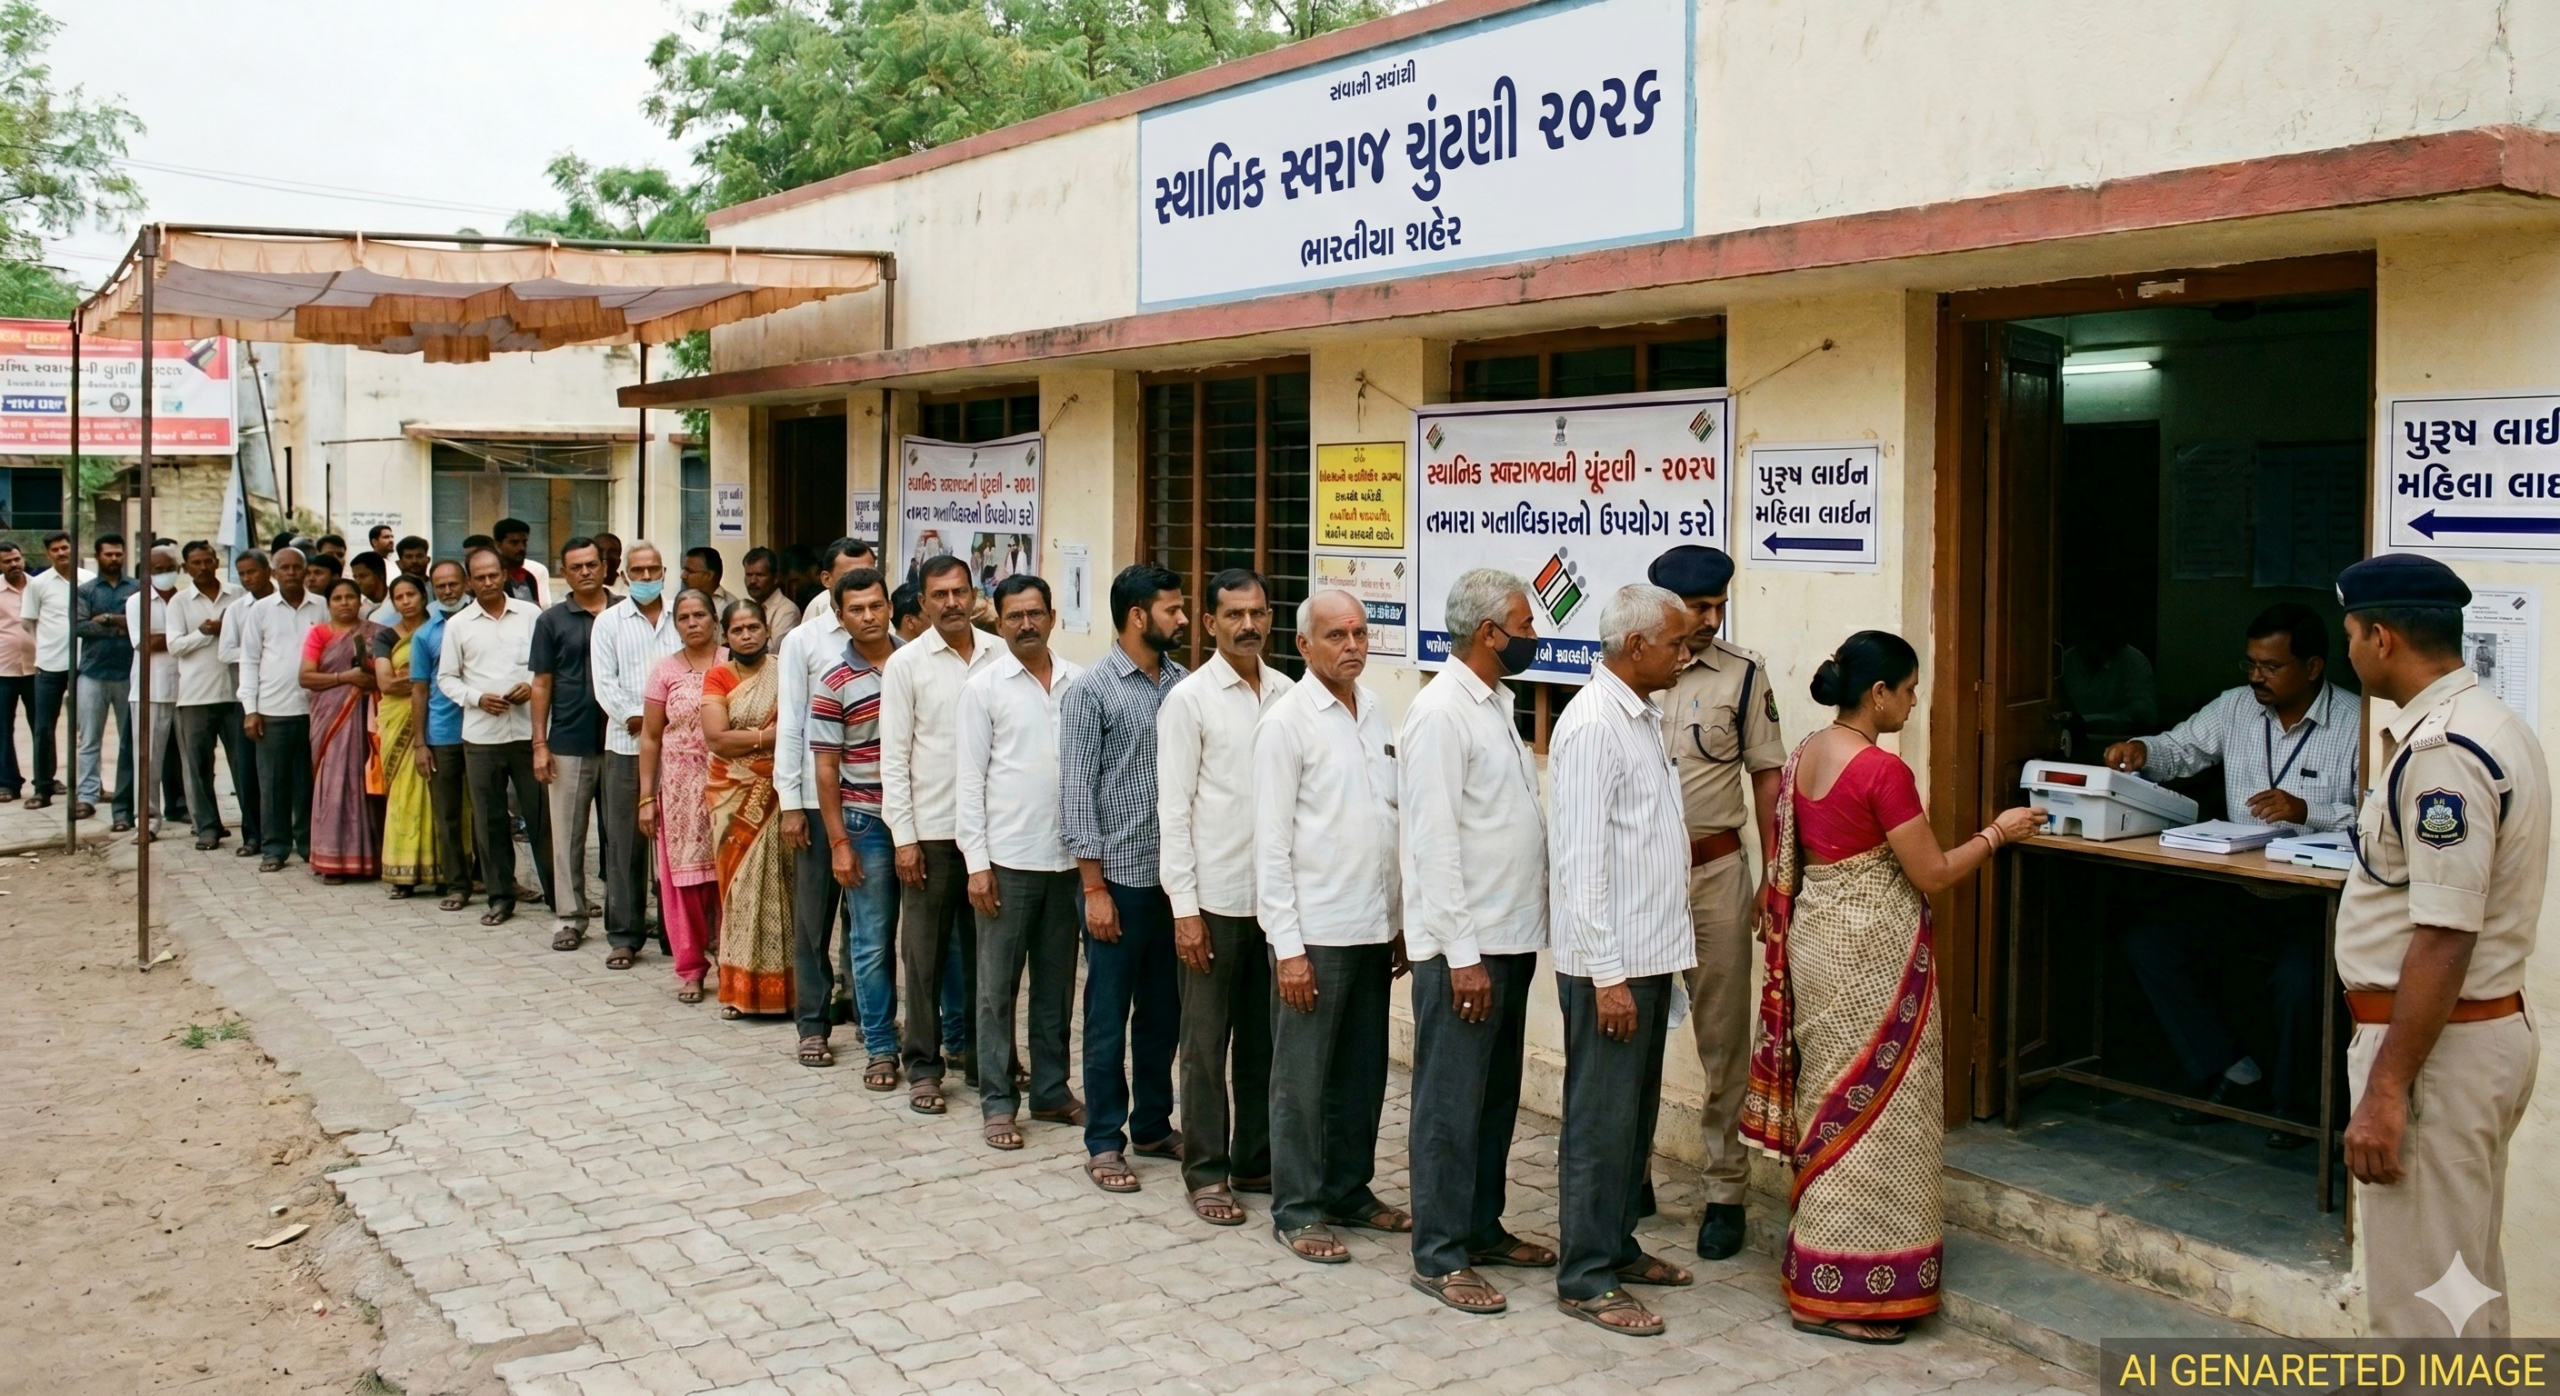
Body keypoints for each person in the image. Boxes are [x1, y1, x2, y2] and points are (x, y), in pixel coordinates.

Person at [1744, 630, 2044, 1343]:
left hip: (1819, 945)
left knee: (1830, 1103)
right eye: (1909, 690)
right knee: (1879, 1118)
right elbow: (1931, 872)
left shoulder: (1806, 753)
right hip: (1873, 955)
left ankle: (1818, 1276)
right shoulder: (1882, 771)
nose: (1914, 702)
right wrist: (1999, 833)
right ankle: (1848, 1296)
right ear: (1878, 693)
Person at [2331, 555, 2547, 1338]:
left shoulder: (2445, 751)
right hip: (2458, 1041)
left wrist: (2387, 1091)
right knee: (2456, 1291)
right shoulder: (2487, 724)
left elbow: (2446, 936)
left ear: (2382, 638)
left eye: (2351, 634)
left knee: (2425, 1312)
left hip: (2435, 1052)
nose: (2350, 649)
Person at [2102, 603, 2360, 1145]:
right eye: (2251, 664)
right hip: (2240, 886)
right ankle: (2233, 1070)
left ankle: (2298, 1110)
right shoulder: (2236, 707)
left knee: (2300, 980)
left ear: (2313, 667)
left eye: (2271, 667)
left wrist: (2307, 810)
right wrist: (2141, 750)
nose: (2256, 677)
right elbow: (2180, 748)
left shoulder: (2357, 723)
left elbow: (2376, 816)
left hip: (2316, 900)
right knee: (2151, 944)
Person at [1542, 586, 1703, 1336]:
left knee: (1631, 1123)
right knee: (1600, 1124)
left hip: (1647, 955)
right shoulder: (1591, 726)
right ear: (1636, 647)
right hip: (1611, 966)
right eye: (1676, 643)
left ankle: (1617, 1245)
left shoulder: (1640, 715)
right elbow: (1580, 866)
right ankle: (1585, 1276)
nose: (1686, 654)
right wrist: (1608, 977)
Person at [1400, 569, 1552, 1309]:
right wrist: (1462, 958)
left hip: (1508, 938)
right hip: (1466, 950)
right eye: (1525, 625)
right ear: (1490, 633)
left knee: (1493, 1099)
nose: (1534, 636)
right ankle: (1438, 1254)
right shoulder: (1440, 713)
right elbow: (1433, 845)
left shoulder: (1496, 701)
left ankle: (1481, 1227)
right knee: (1450, 1105)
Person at [1642, 545, 1787, 1259]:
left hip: (1716, 874)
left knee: (1723, 1039)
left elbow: (1768, 779)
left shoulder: (1743, 672)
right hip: (1643, 880)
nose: (1711, 619)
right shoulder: (1632, 670)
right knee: (1632, 1026)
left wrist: (1772, 876)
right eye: (1698, 608)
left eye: (1718, 606)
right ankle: (1629, 1171)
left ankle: (1725, 1189)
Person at [1254, 588, 1406, 1260]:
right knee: (1302, 1079)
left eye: (1360, 633)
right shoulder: (1286, 724)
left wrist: (1400, 920)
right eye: (1337, 635)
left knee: (1361, 1074)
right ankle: (1298, 1207)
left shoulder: (1375, 711)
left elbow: (1387, 819)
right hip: (1315, 935)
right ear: (1304, 645)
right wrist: (1288, 948)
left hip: (1372, 929)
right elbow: (1270, 845)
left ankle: (1349, 1190)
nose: (1352, 646)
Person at [1158, 568, 1292, 1224]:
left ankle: (1255, 1160)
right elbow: (1173, 810)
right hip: (1213, 901)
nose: (1248, 625)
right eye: (1234, 615)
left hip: (1276, 904)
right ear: (1210, 623)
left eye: (1258, 613)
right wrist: (1184, 911)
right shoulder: (1189, 700)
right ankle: (1207, 1172)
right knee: (1206, 1047)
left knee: (1264, 1044)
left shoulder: (1289, 694)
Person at [1059, 564, 1190, 1190]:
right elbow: (1076, 794)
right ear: (1138, 616)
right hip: (1118, 880)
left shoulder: (1184, 685)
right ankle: (1105, 1141)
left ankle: (1154, 1125)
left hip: (1175, 883)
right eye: (1172, 609)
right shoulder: (1091, 691)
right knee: (1108, 1018)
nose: (1183, 619)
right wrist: (1093, 889)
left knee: (1164, 1014)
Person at [956, 574, 1085, 1150]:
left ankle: (1052, 1092)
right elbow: (968, 781)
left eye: (1035, 614)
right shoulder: (983, 689)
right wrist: (977, 864)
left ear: (1052, 617)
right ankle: (998, 1101)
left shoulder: (1081, 683)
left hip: (1068, 862)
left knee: (1056, 987)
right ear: (999, 622)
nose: (1026, 624)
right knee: (996, 990)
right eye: (1014, 616)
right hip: (1007, 862)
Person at [881, 553, 998, 1113]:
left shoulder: (1000, 654)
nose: (952, 603)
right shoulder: (906, 665)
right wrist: (904, 838)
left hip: (992, 838)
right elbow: (894, 757)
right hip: (931, 834)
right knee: (924, 959)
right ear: (922, 603)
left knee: (988, 959)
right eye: (940, 595)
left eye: (960, 592)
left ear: (973, 595)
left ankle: (984, 1060)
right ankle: (924, 1067)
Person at [804, 566, 908, 1079]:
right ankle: (881, 1046)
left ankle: (950, 1040)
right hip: (865, 823)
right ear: (839, 616)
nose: (869, 616)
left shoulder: (915, 662)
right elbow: (825, 768)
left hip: (923, 821)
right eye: (856, 609)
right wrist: (839, 842)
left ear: (889, 607)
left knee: (936, 940)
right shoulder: (834, 681)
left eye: (876, 605)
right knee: (872, 939)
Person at [774, 540, 871, 1052]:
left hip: (871, 800)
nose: (860, 584)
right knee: (815, 918)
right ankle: (812, 1023)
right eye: (849, 576)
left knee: (868, 918)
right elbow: (792, 722)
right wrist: (790, 802)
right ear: (828, 582)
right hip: (815, 798)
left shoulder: (889, 641)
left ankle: (866, 1010)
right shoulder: (804, 641)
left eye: (868, 574)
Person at [438, 546, 553, 925]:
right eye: (480, 577)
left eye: (493, 575)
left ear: (505, 575)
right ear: (469, 583)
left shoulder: (531, 615)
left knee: (542, 819)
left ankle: (560, 896)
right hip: (482, 737)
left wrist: (530, 687)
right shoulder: (459, 625)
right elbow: (446, 678)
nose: (488, 582)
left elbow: (547, 668)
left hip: (529, 733)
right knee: (490, 822)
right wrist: (477, 698)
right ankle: (500, 898)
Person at [700, 599, 794, 1016]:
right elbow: (717, 739)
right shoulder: (718, 676)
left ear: (767, 630)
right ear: (726, 637)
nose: (747, 635)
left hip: (781, 793)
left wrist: (753, 738)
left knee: (784, 889)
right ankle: (739, 994)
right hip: (732, 794)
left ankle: (789, 994)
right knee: (738, 891)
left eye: (753, 627)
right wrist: (768, 737)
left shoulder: (785, 671)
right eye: (737, 630)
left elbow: (799, 726)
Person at [592, 541, 681, 963]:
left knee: (676, 843)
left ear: (664, 572)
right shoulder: (608, 622)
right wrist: (642, 718)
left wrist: (668, 723)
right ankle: (624, 935)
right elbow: (604, 684)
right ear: (625, 576)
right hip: (626, 745)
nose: (647, 577)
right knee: (625, 843)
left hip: (679, 749)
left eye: (653, 570)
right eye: (638, 571)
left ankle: (675, 934)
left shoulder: (682, 618)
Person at [530, 538, 616, 956]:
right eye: (576, 566)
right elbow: (541, 682)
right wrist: (539, 744)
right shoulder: (551, 621)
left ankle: (627, 915)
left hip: (623, 742)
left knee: (624, 838)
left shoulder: (625, 612)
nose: (585, 572)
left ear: (605, 566)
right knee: (567, 838)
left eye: (591, 564)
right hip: (568, 740)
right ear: (564, 573)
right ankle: (569, 916)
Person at [641, 589, 725, 1002]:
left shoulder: (733, 662)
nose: (692, 623)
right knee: (685, 883)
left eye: (699, 615)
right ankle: (691, 969)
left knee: (729, 876)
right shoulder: (665, 671)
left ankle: (732, 962)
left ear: (714, 619)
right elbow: (650, 736)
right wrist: (646, 798)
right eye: (684, 618)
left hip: (729, 784)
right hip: (678, 790)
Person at [238, 547, 329, 870]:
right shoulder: (261, 610)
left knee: (307, 783)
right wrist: (251, 709)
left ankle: (308, 845)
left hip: (314, 710)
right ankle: (275, 848)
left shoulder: (322, 607)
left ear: (306, 571)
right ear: (274, 573)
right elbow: (249, 660)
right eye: (284, 568)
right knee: (273, 784)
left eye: (296, 567)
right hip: (272, 709)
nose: (291, 573)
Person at [168, 542, 251, 851]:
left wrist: (227, 629)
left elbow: (251, 635)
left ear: (216, 562)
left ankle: (253, 828)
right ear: (186, 567)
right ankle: (207, 827)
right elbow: (174, 646)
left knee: (243, 766)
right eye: (196, 563)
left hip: (236, 694)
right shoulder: (179, 602)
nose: (202, 567)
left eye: (207, 561)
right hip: (196, 695)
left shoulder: (238, 594)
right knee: (199, 767)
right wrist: (205, 632)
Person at [301, 577, 384, 881]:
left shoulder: (377, 633)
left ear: (360, 601)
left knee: (368, 782)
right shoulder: (319, 634)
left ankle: (373, 859)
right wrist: (345, 678)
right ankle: (333, 861)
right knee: (335, 783)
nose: (345, 603)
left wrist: (369, 680)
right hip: (332, 720)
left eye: (350, 597)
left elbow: (388, 673)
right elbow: (306, 677)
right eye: (337, 598)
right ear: (328, 604)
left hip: (371, 716)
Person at [409, 561, 478, 909]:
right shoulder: (425, 634)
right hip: (442, 734)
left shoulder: (480, 623)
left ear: (466, 582)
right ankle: (457, 885)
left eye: (453, 583)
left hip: (484, 731)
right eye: (441, 586)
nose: (448, 591)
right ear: (432, 589)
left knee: (490, 813)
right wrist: (420, 743)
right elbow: (419, 690)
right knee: (448, 814)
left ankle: (499, 879)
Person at [373, 575, 439, 897]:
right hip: (398, 720)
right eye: (398, 597)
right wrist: (422, 680)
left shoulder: (440, 629)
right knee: (403, 794)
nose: (406, 601)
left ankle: (445, 870)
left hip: (438, 719)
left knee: (442, 792)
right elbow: (385, 683)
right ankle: (403, 875)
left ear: (423, 596)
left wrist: (413, 679)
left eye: (411, 594)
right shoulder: (385, 637)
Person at [20, 532, 90, 811]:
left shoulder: (89, 580)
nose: (61, 553)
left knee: (88, 728)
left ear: (73, 548)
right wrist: (46, 646)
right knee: (43, 728)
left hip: (85, 665)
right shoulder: (38, 584)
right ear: (48, 554)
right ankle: (43, 788)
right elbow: (28, 622)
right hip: (49, 666)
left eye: (65, 547)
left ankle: (90, 787)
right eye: (55, 549)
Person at [74, 534, 140, 830]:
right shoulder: (86, 590)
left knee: (131, 741)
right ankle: (87, 796)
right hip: (93, 672)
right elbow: (79, 626)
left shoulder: (136, 588)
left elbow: (139, 625)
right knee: (89, 739)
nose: (114, 559)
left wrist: (106, 619)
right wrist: (119, 625)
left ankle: (131, 797)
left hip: (128, 673)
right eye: (108, 554)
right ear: (98, 556)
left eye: (118, 554)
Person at [127, 545, 187, 835]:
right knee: (148, 760)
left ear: (179, 569)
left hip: (188, 688)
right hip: (150, 689)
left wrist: (171, 639)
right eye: (157, 570)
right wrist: (183, 638)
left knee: (193, 760)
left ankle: (200, 817)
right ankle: (147, 821)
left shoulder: (185, 599)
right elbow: (144, 643)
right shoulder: (137, 602)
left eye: (169, 569)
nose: (164, 574)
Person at [2057, 610, 2158, 752]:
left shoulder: (2134, 661)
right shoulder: (2066, 660)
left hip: (2123, 746)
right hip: (2072, 744)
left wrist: (2088, 722)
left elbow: (2145, 716)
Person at [0, 543, 32, 804]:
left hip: (38, 668)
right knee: (2, 729)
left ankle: (45, 780)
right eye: (7, 561)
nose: (14, 564)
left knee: (42, 728)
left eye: (16, 559)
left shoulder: (38, 586)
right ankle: (7, 783)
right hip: (4, 669)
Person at [492, 518, 552, 607]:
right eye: (514, 543)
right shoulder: (491, 578)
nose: (522, 548)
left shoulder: (529, 577)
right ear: (498, 545)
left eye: (524, 542)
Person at [745, 546, 800, 642]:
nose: (753, 581)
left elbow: (774, 649)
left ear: (775, 578)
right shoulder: (747, 608)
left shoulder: (788, 610)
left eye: (760, 575)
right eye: (749, 575)